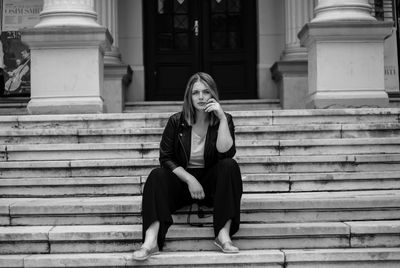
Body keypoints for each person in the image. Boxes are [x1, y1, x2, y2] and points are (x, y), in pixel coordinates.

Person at [133, 72, 243, 261]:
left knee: (230, 165)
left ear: (213, 95)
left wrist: (222, 118)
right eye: (196, 93)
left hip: (211, 184)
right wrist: (190, 179)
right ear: (189, 97)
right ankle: (150, 242)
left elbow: (226, 153)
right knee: (156, 175)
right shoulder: (176, 121)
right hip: (182, 184)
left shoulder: (225, 119)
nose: (201, 97)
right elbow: (165, 157)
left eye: (206, 92)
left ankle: (223, 235)